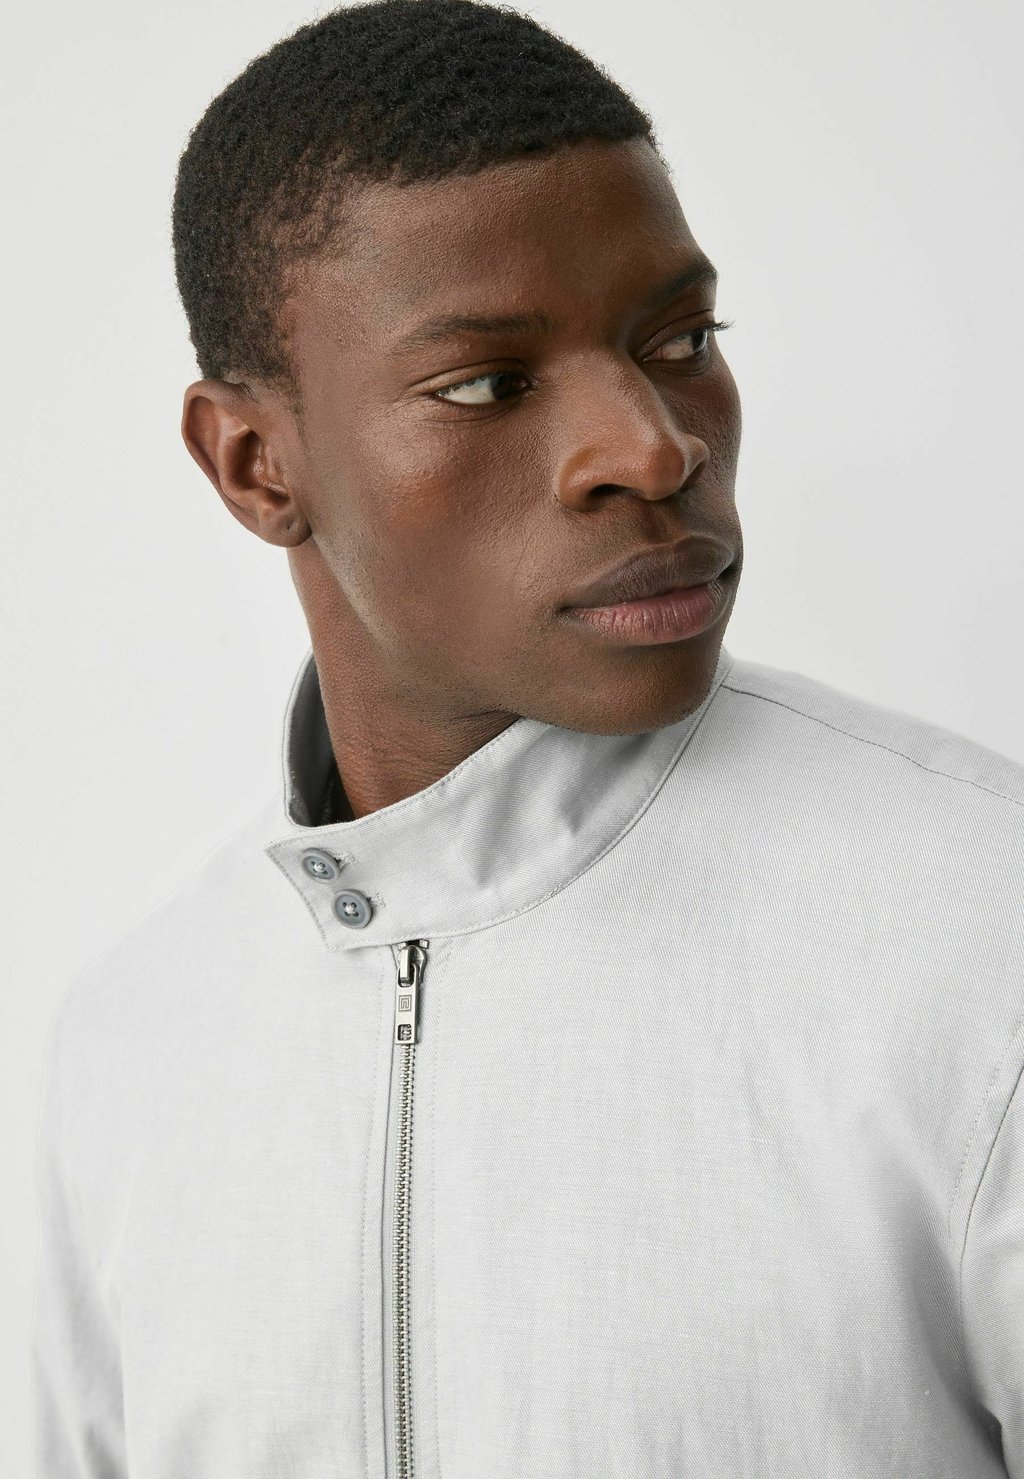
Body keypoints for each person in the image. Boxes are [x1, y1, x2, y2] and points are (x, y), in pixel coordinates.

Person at [31, 0, 1024, 1474]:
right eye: (488, 383)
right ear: (254, 464)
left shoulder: (985, 933)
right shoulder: (132, 1044)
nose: (655, 447)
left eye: (681, 340)